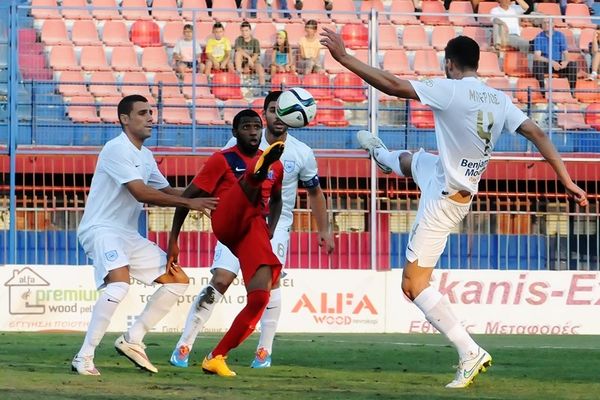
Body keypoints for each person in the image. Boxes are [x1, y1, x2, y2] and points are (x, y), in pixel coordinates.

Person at [320, 30, 589, 388]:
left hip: (445, 198)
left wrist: (345, 59)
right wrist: (566, 178)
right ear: (477, 63)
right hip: (446, 176)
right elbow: (538, 133)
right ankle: (382, 155)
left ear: (449, 64)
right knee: (413, 160)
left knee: (413, 285)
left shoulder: (450, 89)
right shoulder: (499, 98)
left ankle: (469, 351)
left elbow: (393, 85)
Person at [169, 91, 335, 369]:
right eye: (272, 110)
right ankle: (185, 343)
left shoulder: (302, 153)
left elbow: (314, 192)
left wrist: (324, 228)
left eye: (283, 111)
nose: (277, 116)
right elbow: (212, 183)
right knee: (221, 279)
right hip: (234, 220)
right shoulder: (233, 148)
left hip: (273, 225)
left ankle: (263, 351)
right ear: (265, 115)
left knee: (269, 286)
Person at [71, 95, 218, 376]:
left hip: (126, 233)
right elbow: (140, 192)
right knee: (118, 286)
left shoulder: (145, 155)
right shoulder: (116, 149)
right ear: (124, 119)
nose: (151, 117)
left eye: (151, 112)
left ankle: (133, 338)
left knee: (177, 280)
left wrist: (212, 198)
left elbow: (166, 191)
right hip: (101, 228)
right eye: (142, 113)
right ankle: (84, 357)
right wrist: (190, 203)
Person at [167, 109, 287, 377]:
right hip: (226, 219)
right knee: (247, 186)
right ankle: (254, 175)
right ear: (235, 133)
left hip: (253, 228)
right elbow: (187, 198)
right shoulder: (221, 160)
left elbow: (278, 199)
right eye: (246, 127)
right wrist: (173, 240)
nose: (253, 131)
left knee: (260, 297)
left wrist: (271, 227)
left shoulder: (277, 166)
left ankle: (216, 356)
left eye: (257, 126)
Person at [532, 19, 578, 95]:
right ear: (542, 25)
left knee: (572, 65)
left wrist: (565, 62)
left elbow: (565, 52)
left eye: (548, 22)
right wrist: (552, 62)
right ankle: (542, 93)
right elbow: (537, 56)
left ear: (553, 24)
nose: (546, 24)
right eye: (544, 23)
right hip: (545, 64)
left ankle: (572, 92)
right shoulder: (539, 37)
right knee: (537, 64)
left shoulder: (560, 35)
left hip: (557, 63)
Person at [234, 21, 266, 86]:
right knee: (238, 54)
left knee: (260, 70)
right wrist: (248, 58)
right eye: (242, 31)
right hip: (242, 62)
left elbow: (256, 55)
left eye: (246, 30)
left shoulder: (255, 41)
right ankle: (238, 79)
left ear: (250, 30)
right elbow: (238, 50)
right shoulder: (239, 39)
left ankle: (263, 88)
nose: (244, 33)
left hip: (253, 62)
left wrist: (248, 65)